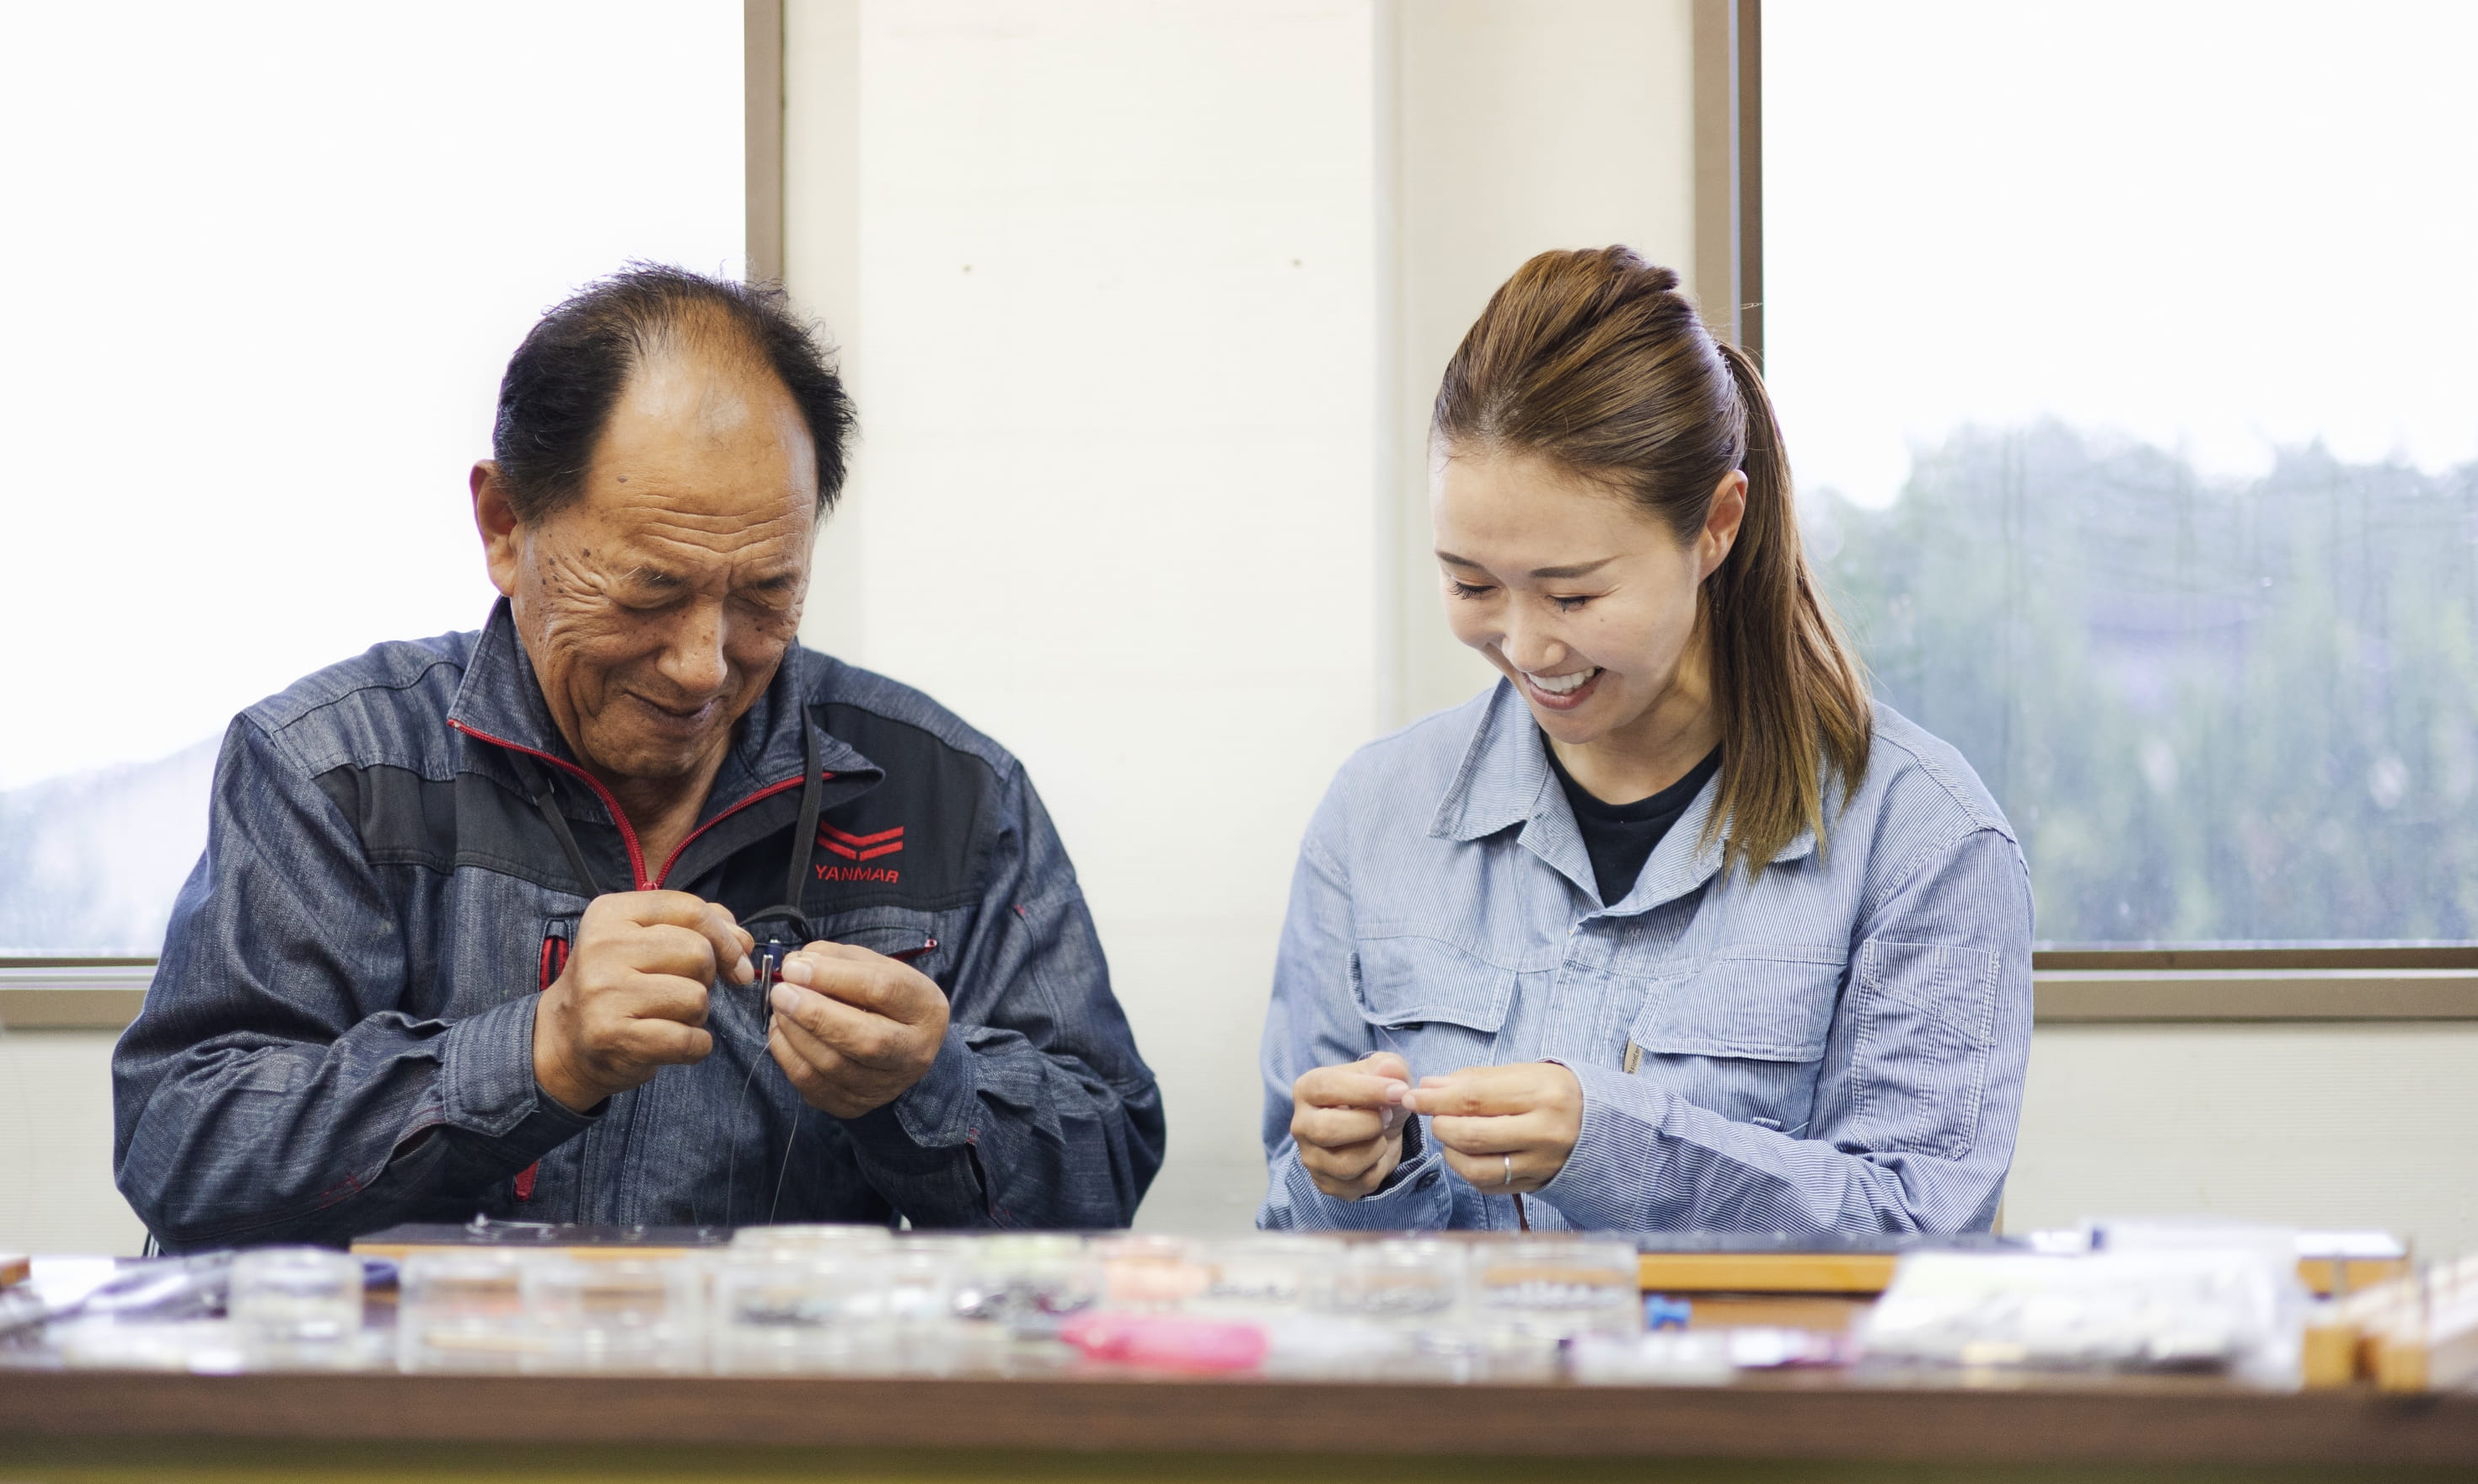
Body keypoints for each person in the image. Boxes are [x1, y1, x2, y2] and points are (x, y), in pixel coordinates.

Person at [115, 267, 1162, 1249]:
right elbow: (183, 1142)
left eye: (765, 597)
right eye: (651, 591)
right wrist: (536, 1054)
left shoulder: (949, 795)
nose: (705, 665)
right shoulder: (334, 770)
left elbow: (1106, 1168)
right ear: (504, 523)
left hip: (781, 1428)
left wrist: (926, 1091)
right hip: (416, 1428)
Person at [1259, 247, 2032, 1235]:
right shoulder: (1376, 815)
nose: (1527, 644)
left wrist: (1621, 1148)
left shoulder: (1922, 837)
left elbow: (1929, 1238)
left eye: (1575, 594)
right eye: (1470, 584)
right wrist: (1353, 1182)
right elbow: (1290, 1233)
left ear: (1716, 524)